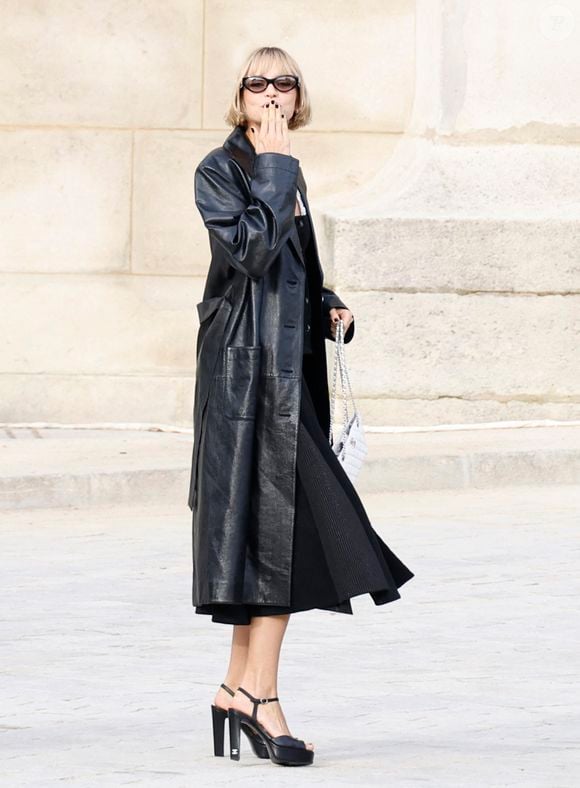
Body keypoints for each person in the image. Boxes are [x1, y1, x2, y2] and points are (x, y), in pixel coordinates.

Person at [188, 46, 415, 767]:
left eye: (284, 82)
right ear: (241, 97)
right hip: (245, 384)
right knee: (281, 536)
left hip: (289, 381)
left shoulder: (291, 174)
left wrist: (329, 305)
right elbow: (250, 254)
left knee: (267, 532)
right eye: (258, 83)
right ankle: (263, 698)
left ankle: (235, 688)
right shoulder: (219, 171)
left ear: (298, 94)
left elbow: (293, 271)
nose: (272, 94)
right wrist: (274, 169)